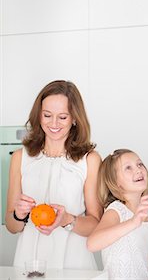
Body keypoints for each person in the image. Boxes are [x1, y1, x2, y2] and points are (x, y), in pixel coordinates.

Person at [6, 80, 102, 269]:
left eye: (63, 117)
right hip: (28, 264)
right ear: (39, 115)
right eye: (47, 115)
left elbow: (95, 224)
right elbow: (11, 226)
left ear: (75, 118)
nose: (54, 124)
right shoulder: (19, 157)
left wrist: (67, 220)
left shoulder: (90, 160)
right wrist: (18, 215)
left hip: (74, 264)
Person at [87, 149, 148, 280]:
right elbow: (92, 244)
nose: (138, 170)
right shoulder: (116, 210)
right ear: (115, 182)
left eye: (140, 164)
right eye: (128, 168)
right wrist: (133, 222)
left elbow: (147, 257)